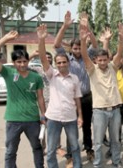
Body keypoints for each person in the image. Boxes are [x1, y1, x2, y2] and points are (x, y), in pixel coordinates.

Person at [79, 13, 123, 168]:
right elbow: (84, 55)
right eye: (100, 60)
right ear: (96, 61)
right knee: (98, 142)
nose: (103, 62)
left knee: (116, 140)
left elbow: (120, 53)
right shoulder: (92, 69)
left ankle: (116, 162)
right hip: (99, 111)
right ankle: (98, 164)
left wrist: (120, 38)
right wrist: (83, 40)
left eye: (105, 59)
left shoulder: (113, 66)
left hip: (115, 110)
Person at [53, 11, 97, 163]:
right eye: (75, 48)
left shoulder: (87, 56)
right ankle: (71, 155)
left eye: (79, 48)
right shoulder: (66, 59)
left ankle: (89, 149)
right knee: (70, 128)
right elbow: (56, 44)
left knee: (86, 126)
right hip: (71, 99)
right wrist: (64, 27)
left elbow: (95, 44)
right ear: (71, 49)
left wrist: (86, 28)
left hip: (86, 97)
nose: (78, 50)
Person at [0, 31, 46, 168]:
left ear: (28, 61)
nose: (22, 64)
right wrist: (5, 38)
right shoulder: (8, 73)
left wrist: (43, 115)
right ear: (14, 62)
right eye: (19, 62)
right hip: (13, 120)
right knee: (11, 151)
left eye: (24, 61)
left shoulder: (36, 77)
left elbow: (40, 98)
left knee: (37, 148)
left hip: (33, 120)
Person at [37, 24, 83, 168]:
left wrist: (80, 116)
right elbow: (44, 58)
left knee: (75, 147)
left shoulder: (74, 78)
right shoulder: (52, 75)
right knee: (51, 150)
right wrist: (42, 40)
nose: (62, 64)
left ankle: (77, 166)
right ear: (55, 64)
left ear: (68, 63)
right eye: (59, 63)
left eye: (64, 62)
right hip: (54, 118)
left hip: (71, 118)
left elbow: (77, 99)